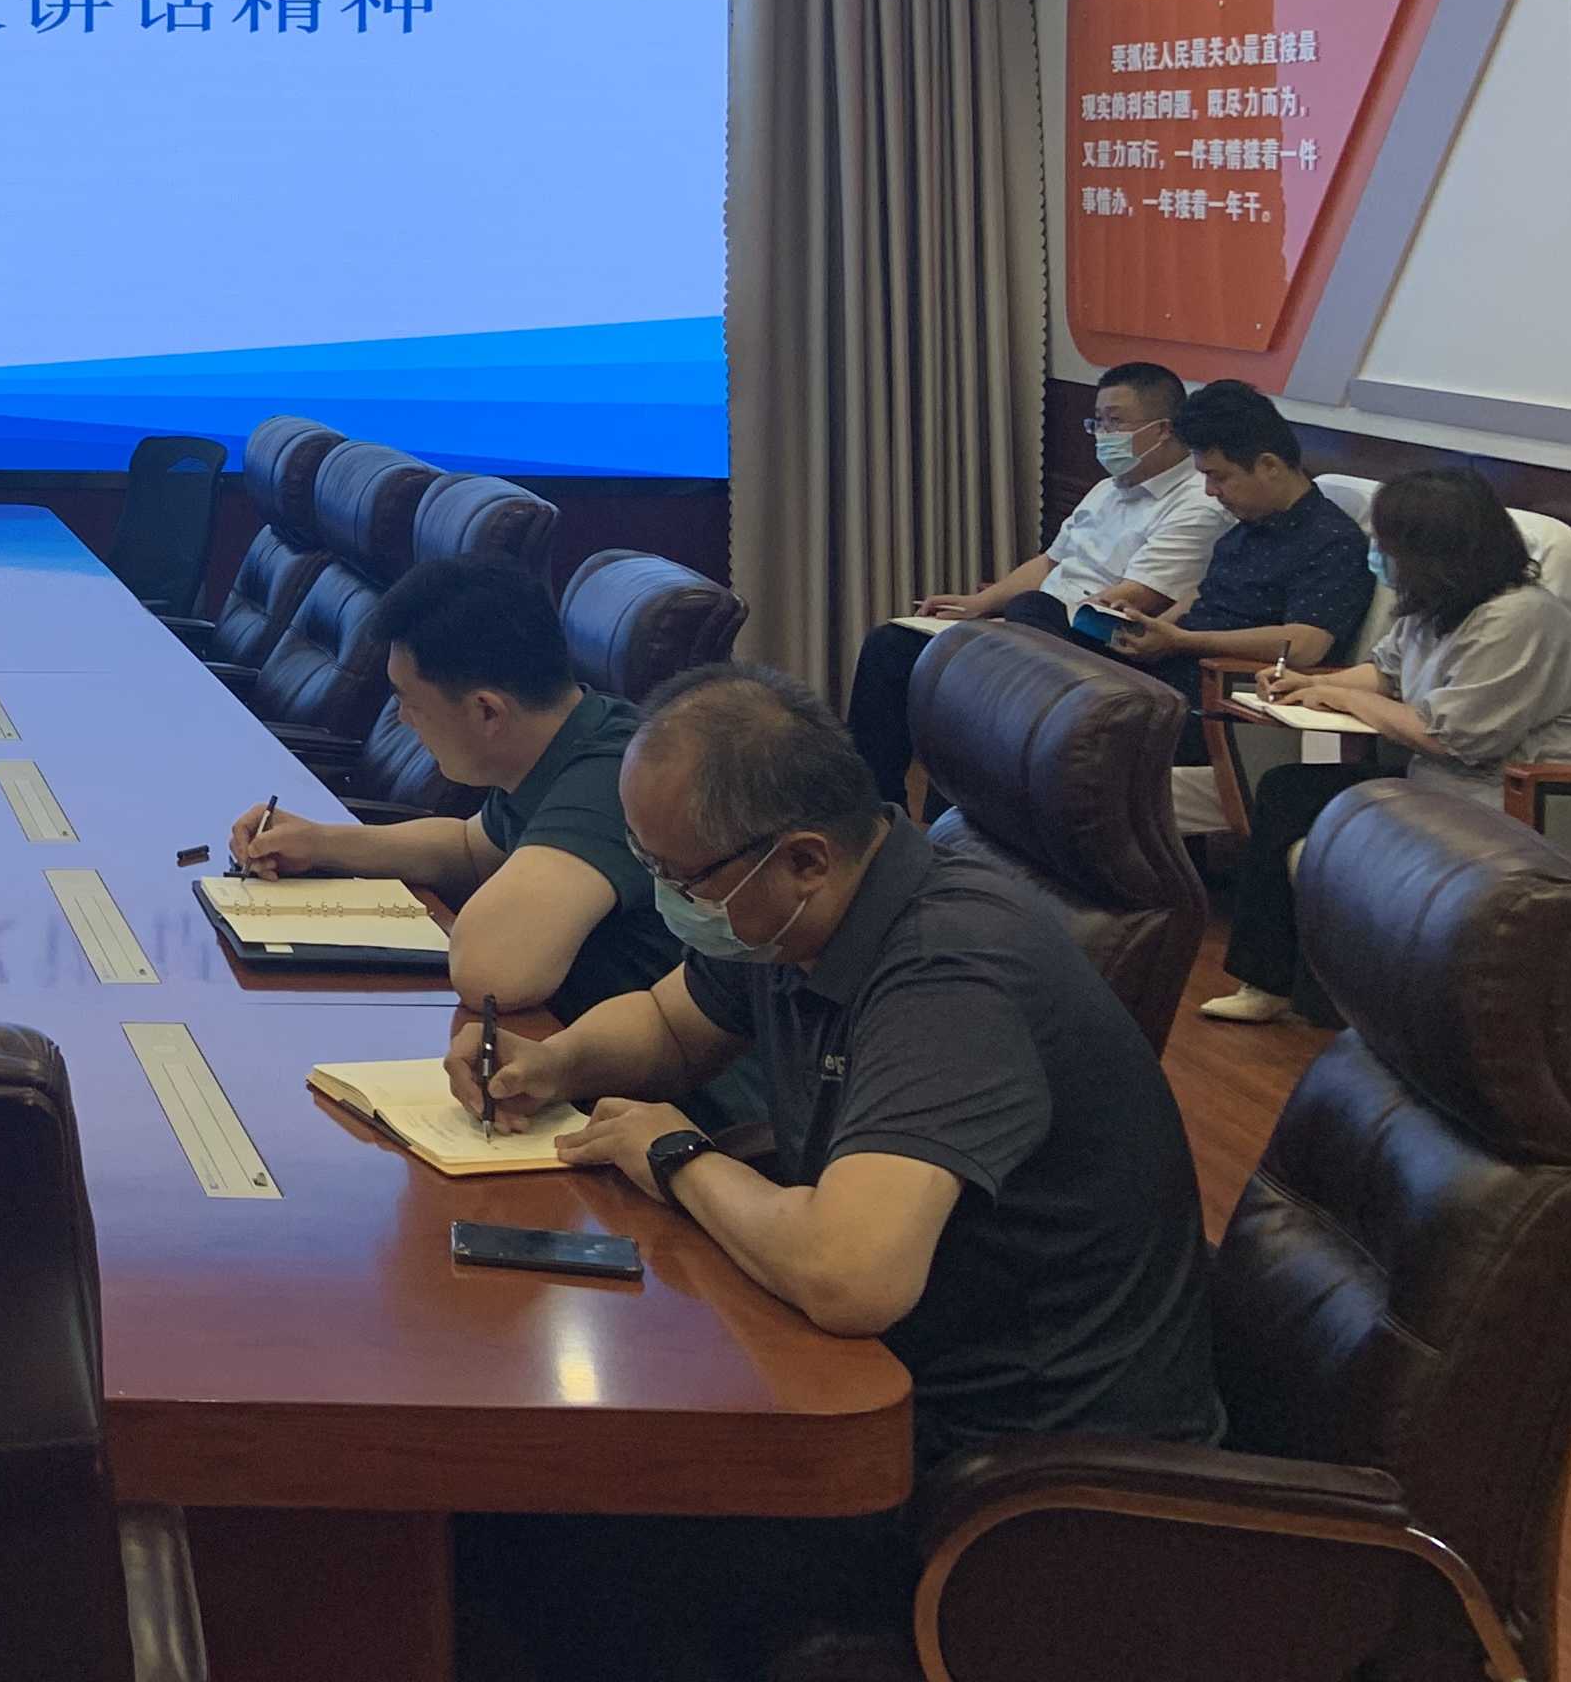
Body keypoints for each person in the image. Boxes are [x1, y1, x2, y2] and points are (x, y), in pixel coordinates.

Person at [454, 669, 1218, 1680]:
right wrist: (555, 1064)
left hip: (1016, 1484)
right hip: (888, 1391)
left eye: (682, 878)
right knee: (517, 1494)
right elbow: (674, 1025)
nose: (673, 899)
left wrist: (675, 1155)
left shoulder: (950, 969)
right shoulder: (797, 912)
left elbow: (854, 1275)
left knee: (534, 1527)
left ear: (804, 859)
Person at [1201, 467, 1571, 1025]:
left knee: (1336, 809)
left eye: (1386, 545)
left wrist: (1340, 697)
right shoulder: (1436, 605)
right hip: (1446, 785)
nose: (1377, 555)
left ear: (1434, 553)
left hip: (1515, 799)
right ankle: (1267, 981)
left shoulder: (1519, 619)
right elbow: (1386, 673)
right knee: (1288, 789)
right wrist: (1310, 684)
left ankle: (1339, 1004)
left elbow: (1449, 737)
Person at [223, 555, 683, 1022]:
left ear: (487, 712)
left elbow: (494, 975)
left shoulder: (613, 778)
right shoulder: (565, 736)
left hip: (617, 1062)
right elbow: (471, 848)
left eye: (410, 702)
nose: (402, 718)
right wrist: (319, 843)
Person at [848, 359, 1229, 810]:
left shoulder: (1197, 504)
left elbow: (1136, 598)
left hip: (1091, 644)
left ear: (1163, 430)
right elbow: (1050, 561)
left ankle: (955, 812)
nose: (1102, 434)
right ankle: (870, 808)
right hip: (1034, 628)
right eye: (1097, 421)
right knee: (890, 645)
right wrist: (977, 604)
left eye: (1115, 422)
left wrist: (1015, 624)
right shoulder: (1109, 488)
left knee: (985, 657)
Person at [1095, 380, 1375, 689]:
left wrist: (1182, 640)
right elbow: (1205, 594)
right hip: (1173, 663)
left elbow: (1305, 644)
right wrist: (1154, 629)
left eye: (1218, 477)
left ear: (1269, 466)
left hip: (1224, 684)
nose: (1210, 491)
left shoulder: (1333, 542)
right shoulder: (1247, 525)